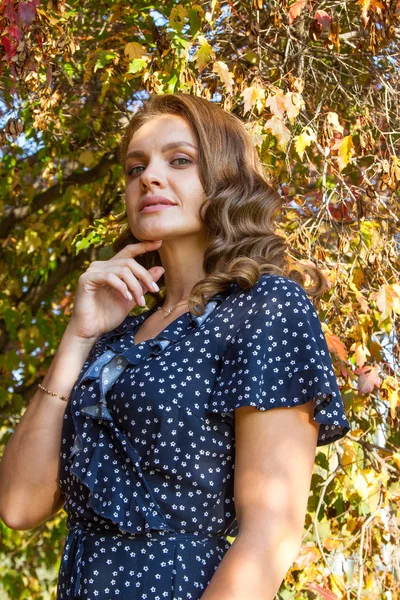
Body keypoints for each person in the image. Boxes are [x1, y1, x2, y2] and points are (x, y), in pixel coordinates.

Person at [0, 93, 351, 600]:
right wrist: (78, 338)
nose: (149, 177)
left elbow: (269, 532)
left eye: (179, 160)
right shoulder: (115, 335)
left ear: (224, 178)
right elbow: (18, 505)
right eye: (134, 167)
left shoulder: (264, 306)